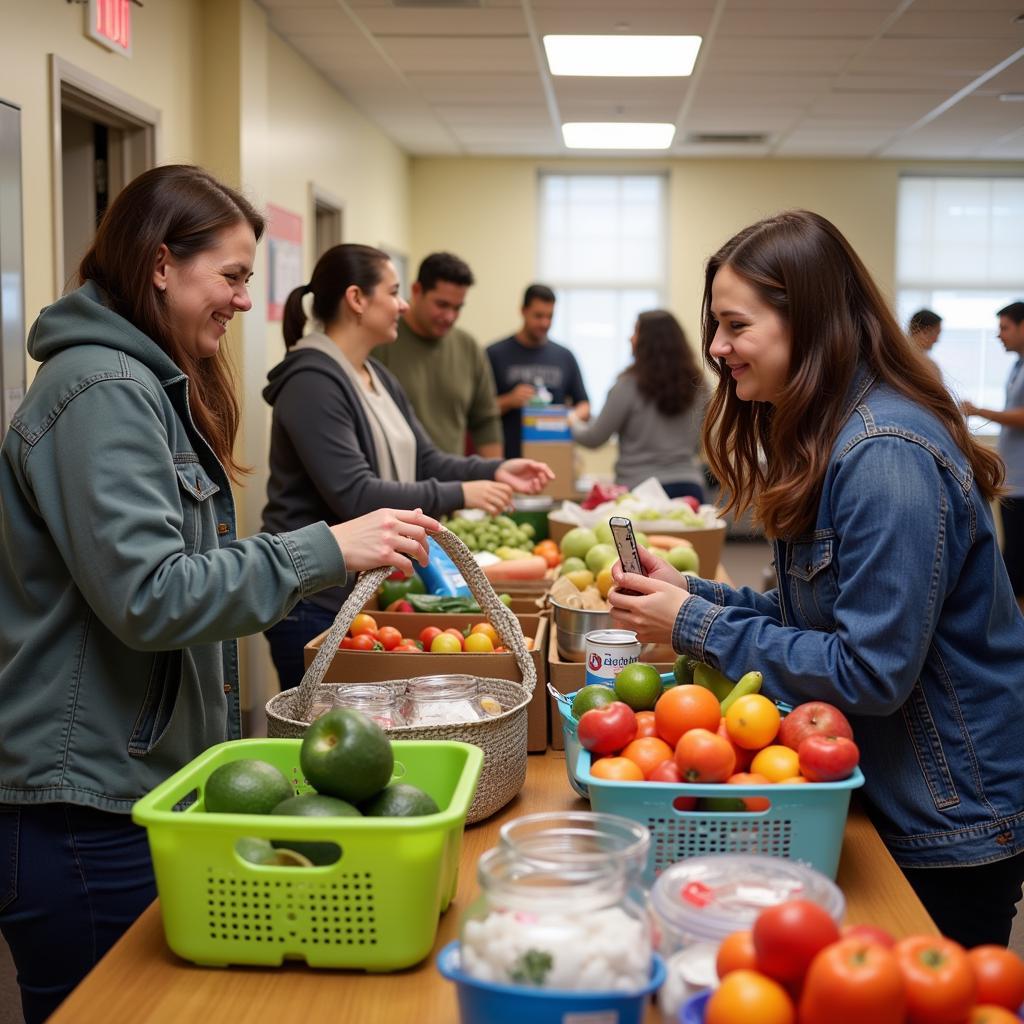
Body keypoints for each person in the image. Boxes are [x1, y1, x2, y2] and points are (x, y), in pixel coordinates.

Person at [0, 166, 439, 1023]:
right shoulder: (101, 391)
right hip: (80, 802)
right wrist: (325, 548)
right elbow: (150, 596)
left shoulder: (145, 383)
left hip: (131, 782)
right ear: (162, 264)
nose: (245, 300)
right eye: (232, 276)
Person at [608, 210, 1024, 948]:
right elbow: (819, 613)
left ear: (810, 322)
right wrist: (693, 594)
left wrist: (693, 625)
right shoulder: (834, 433)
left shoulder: (884, 454)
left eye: (735, 326)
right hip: (886, 788)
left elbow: (869, 670)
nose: (716, 348)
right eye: (715, 327)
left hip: (943, 812)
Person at [262, 244, 554, 689]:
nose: (401, 304)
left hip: (356, 593)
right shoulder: (311, 381)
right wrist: (462, 493)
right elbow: (355, 493)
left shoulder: (375, 376)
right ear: (357, 299)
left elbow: (426, 459)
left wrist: (493, 471)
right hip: (313, 602)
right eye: (393, 291)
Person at [373, 251, 503, 457]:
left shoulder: (468, 347)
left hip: (452, 482)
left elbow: (485, 422)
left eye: (457, 307)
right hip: (395, 483)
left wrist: (498, 479)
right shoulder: (380, 341)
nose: (450, 316)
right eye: (442, 305)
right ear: (417, 291)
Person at [568, 309, 707, 500]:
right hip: (689, 489)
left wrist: (572, 419)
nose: (630, 338)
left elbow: (594, 438)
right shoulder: (699, 384)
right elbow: (699, 443)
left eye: (635, 332)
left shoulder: (628, 385)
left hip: (640, 493)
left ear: (648, 342)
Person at [960, 301, 1024, 610]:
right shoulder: (1016, 366)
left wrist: (977, 411)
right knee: (1011, 548)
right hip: (1015, 477)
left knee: (1017, 554)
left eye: (1005, 328)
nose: (1000, 336)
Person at [487, 284, 591, 458]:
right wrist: (509, 400)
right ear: (523, 311)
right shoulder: (495, 354)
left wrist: (570, 417)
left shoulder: (565, 356)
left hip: (553, 457)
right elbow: (478, 413)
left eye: (550, 316)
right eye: (538, 316)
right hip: (507, 458)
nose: (545, 323)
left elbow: (584, 406)